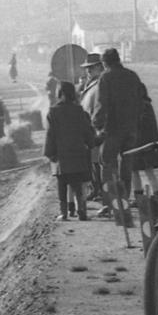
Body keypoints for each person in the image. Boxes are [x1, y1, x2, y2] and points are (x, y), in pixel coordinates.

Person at [89, 47, 148, 218]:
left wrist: (96, 125)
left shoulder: (105, 78)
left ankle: (110, 204)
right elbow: (142, 101)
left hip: (112, 129)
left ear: (105, 63)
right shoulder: (132, 76)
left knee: (107, 166)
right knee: (126, 166)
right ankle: (124, 201)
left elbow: (101, 104)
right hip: (131, 129)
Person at [43, 81, 96, 222]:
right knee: (78, 185)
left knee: (62, 186)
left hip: (61, 156)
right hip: (78, 154)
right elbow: (87, 132)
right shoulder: (79, 111)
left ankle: (64, 213)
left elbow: (50, 135)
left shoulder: (53, 112)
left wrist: (49, 153)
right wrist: (91, 143)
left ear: (59, 94)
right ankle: (82, 212)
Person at [78, 53, 106, 202]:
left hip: (98, 127)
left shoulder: (102, 83)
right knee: (93, 162)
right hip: (89, 127)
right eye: (87, 68)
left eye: (91, 67)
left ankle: (101, 191)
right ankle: (96, 189)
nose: (88, 71)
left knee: (98, 162)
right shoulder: (91, 83)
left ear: (100, 67)